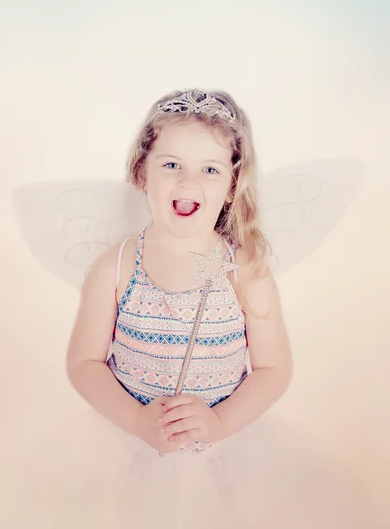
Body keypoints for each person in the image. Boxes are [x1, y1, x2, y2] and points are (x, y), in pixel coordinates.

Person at [66, 88, 293, 525]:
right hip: (132, 438)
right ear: (141, 173)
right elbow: (84, 362)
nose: (187, 183)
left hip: (219, 447)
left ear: (232, 184)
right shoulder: (114, 267)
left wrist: (220, 423)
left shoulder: (243, 269)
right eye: (171, 165)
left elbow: (274, 369)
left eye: (209, 169)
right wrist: (136, 420)